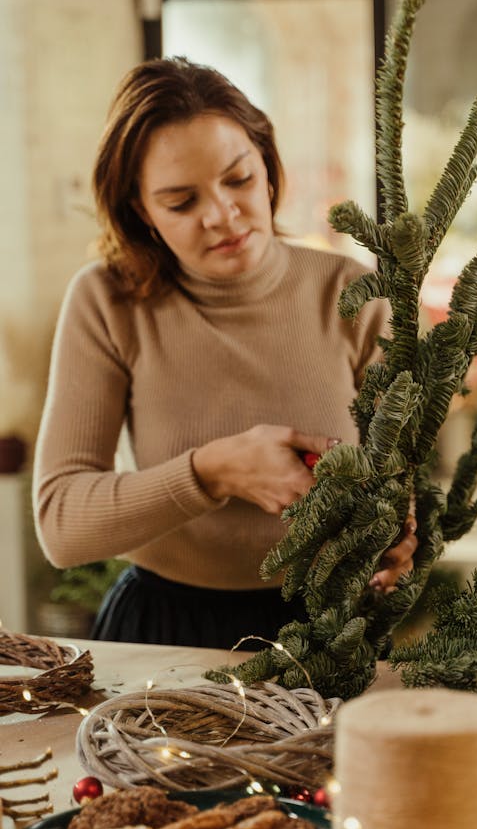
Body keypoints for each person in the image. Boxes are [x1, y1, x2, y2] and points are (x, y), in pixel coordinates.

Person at [33, 56, 417, 651]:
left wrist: (399, 536)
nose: (221, 215)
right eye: (181, 202)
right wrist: (211, 472)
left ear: (267, 169)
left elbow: (399, 482)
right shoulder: (108, 300)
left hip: (332, 639)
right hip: (163, 637)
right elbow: (61, 524)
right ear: (142, 211)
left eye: (237, 179)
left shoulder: (353, 293)